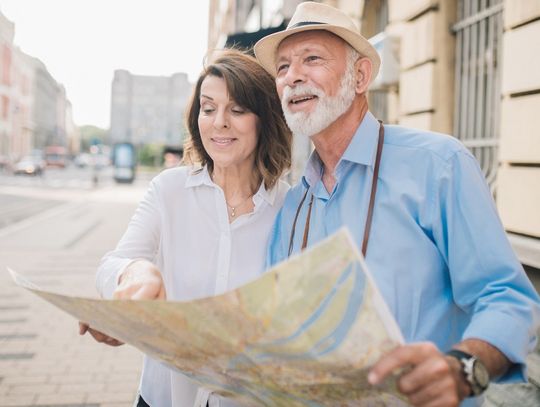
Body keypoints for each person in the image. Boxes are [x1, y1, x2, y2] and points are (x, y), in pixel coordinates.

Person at [254, 2, 540, 407]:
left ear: (360, 76)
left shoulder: (438, 165)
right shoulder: (293, 205)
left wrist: (462, 368)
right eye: (282, 68)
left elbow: (508, 298)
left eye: (311, 59)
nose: (292, 76)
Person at [79, 49, 292, 407]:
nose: (219, 122)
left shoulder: (292, 206)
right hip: (166, 396)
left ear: (265, 120)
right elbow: (112, 264)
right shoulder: (169, 190)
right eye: (208, 108)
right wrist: (134, 278)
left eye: (237, 110)